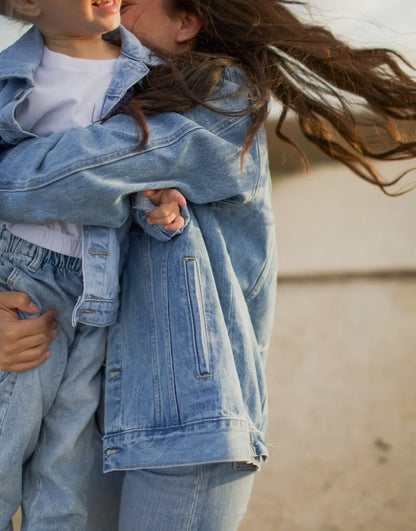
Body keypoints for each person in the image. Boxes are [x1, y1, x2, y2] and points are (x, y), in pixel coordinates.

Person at [2, 0, 416, 529]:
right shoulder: (98, 98)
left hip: (190, 417)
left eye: (130, 6)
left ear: (186, 23)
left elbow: (48, 182)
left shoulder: (220, 99)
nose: (113, 13)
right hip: (101, 405)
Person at [0, 0, 189, 528]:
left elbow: (137, 180)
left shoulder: (153, 78)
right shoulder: (12, 79)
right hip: (24, 281)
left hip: (103, 291)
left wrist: (160, 208)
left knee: (65, 471)